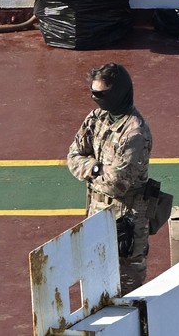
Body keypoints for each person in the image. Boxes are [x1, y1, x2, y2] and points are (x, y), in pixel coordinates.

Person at [67, 62, 154, 293]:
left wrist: (89, 169)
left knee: (126, 293)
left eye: (101, 94)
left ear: (117, 92)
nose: (95, 98)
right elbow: (73, 156)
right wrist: (97, 168)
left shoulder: (134, 133)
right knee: (94, 287)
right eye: (93, 93)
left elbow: (117, 183)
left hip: (125, 224)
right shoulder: (97, 118)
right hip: (96, 214)